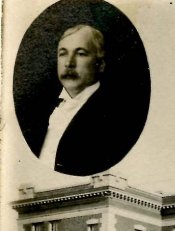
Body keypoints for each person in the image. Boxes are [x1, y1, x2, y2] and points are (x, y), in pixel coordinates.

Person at [30, 24, 141, 176]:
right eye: (63, 54)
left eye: (81, 53)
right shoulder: (38, 111)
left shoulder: (116, 117)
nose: (69, 63)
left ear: (100, 64)